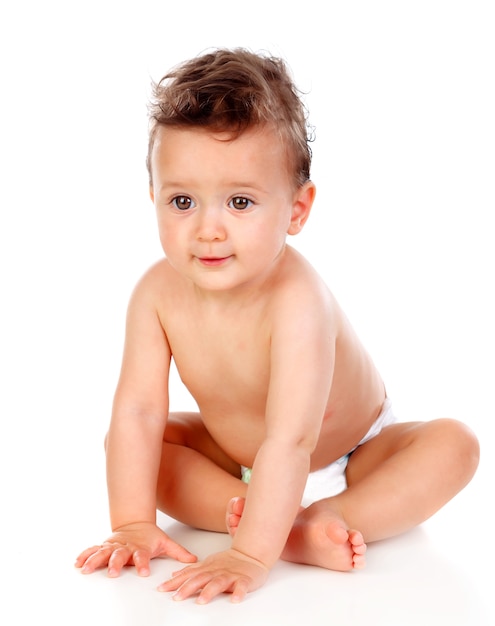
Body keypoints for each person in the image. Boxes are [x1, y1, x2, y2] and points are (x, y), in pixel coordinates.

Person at [75, 48, 480, 604]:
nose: (208, 230)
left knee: (454, 445)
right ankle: (281, 527)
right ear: (154, 199)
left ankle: (325, 518)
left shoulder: (297, 300)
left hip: (355, 453)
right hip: (239, 462)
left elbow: (293, 438)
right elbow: (138, 409)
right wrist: (131, 521)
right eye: (183, 201)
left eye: (239, 202)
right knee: (141, 440)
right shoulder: (155, 294)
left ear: (296, 209)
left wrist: (249, 556)